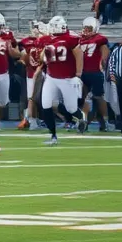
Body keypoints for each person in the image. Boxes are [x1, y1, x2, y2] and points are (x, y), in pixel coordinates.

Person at [38, 16, 87, 145]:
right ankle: (53, 136)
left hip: (67, 78)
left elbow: (79, 55)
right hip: (51, 77)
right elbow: (42, 57)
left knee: (71, 109)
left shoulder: (71, 38)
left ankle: (81, 117)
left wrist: (78, 74)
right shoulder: (47, 39)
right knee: (46, 104)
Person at [78, 18, 111, 132]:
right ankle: (88, 121)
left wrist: (103, 61)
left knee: (97, 97)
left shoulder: (100, 39)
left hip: (96, 72)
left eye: (89, 28)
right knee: (85, 98)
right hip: (83, 72)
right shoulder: (80, 39)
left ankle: (104, 121)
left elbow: (105, 53)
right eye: (85, 28)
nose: (86, 30)